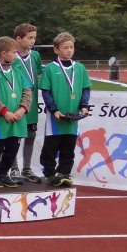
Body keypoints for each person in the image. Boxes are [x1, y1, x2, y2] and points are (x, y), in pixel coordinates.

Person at [39, 32, 91, 187]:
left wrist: (84, 106)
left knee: (68, 147)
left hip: (73, 117)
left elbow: (85, 89)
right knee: (51, 147)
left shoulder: (80, 68)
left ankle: (64, 172)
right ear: (56, 50)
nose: (69, 50)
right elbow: (46, 92)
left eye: (71, 47)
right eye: (65, 47)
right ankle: (49, 173)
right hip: (56, 117)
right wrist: (54, 110)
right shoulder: (50, 68)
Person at [0, 36, 32, 188]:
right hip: (1, 118)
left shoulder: (18, 71)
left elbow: (27, 91)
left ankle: (3, 173)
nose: (16, 55)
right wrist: (4, 111)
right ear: (3, 53)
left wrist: (22, 109)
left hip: (18, 118)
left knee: (12, 149)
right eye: (14, 52)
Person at [9, 23, 44, 183]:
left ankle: (27, 168)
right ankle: (14, 168)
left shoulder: (35, 56)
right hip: (16, 102)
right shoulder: (12, 56)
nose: (33, 41)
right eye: (29, 38)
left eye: (34, 38)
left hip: (32, 102)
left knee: (31, 135)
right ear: (18, 39)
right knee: (15, 136)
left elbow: (38, 74)